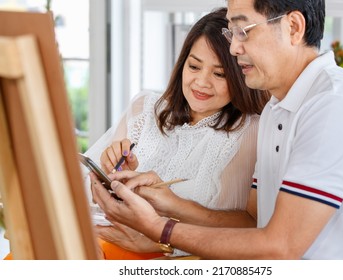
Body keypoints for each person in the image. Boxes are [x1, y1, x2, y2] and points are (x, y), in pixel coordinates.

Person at [91, 0, 343, 260]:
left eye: (243, 30)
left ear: (294, 28)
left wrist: (159, 229)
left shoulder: (335, 106)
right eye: (231, 33)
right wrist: (169, 203)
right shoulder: (277, 108)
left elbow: (280, 248)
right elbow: (253, 221)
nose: (234, 47)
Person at [83, 7, 270, 259]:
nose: (201, 82)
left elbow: (252, 227)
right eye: (194, 66)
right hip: (100, 243)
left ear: (241, 74)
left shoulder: (254, 132)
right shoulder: (146, 108)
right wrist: (113, 173)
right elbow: (86, 192)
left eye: (219, 74)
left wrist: (161, 239)